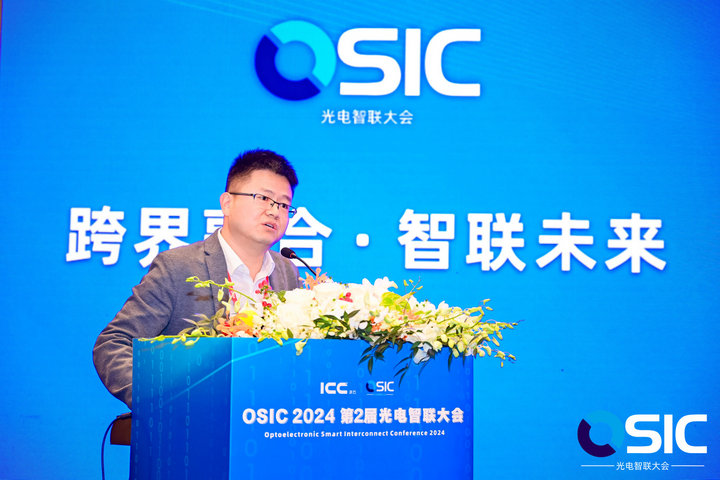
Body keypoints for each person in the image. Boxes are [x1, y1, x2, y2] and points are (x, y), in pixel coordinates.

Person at [93, 149, 302, 408]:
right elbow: (113, 343)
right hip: (191, 421)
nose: (274, 211)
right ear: (227, 203)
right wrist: (160, 401)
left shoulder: (287, 272)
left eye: (284, 204)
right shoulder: (178, 267)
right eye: (264, 198)